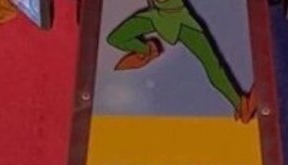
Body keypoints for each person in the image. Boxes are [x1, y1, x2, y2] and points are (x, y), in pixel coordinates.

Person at [107, 1, 256, 123]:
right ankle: (148, 50)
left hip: (181, 20)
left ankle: (240, 103)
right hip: (157, 17)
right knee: (116, 38)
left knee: (212, 64)